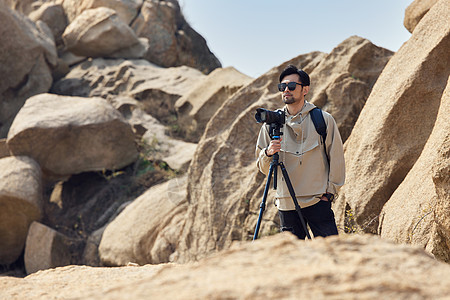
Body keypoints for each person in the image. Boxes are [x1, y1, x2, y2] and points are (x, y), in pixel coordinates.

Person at [255, 64, 345, 239]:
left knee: (330, 254)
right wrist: (267, 153)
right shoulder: (272, 124)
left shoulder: (323, 120)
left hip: (317, 200)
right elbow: (263, 169)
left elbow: (336, 158)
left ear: (305, 89)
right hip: (286, 204)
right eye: (282, 87)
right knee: (291, 262)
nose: (286, 90)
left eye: (291, 86)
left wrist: (329, 193)